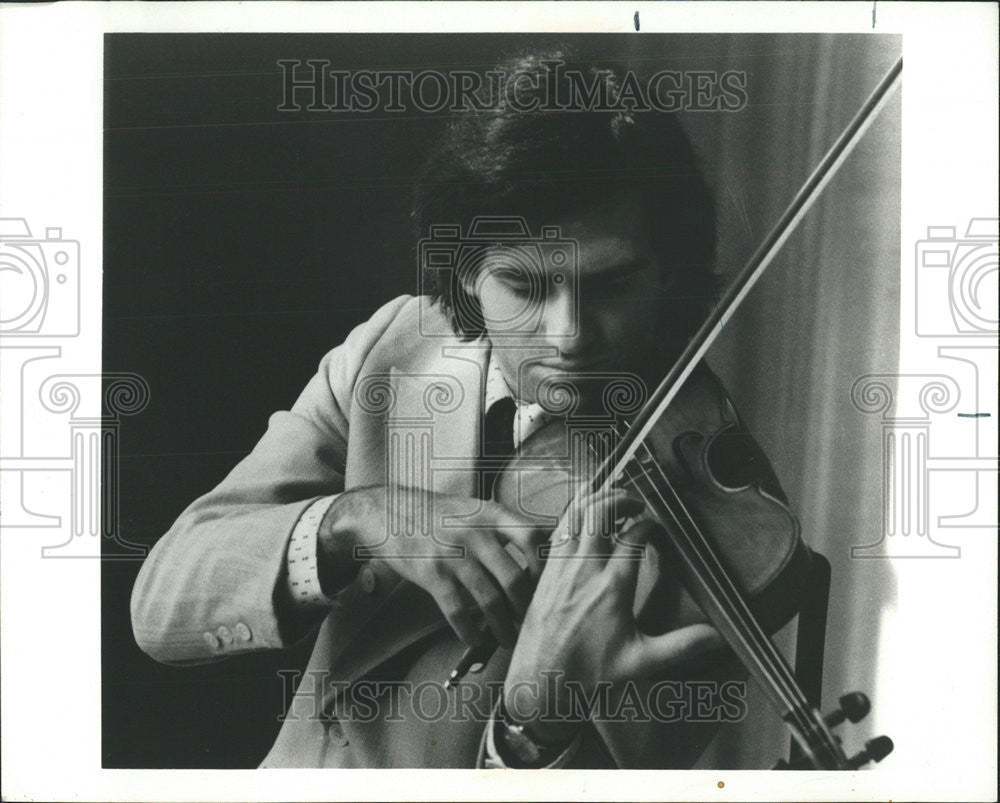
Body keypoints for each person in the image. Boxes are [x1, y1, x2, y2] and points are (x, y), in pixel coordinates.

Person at [130, 47, 795, 769]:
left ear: (667, 269)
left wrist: (534, 720)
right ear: (468, 274)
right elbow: (164, 606)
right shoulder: (396, 350)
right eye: (525, 286)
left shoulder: (728, 529)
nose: (570, 335)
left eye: (613, 282)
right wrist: (356, 516)